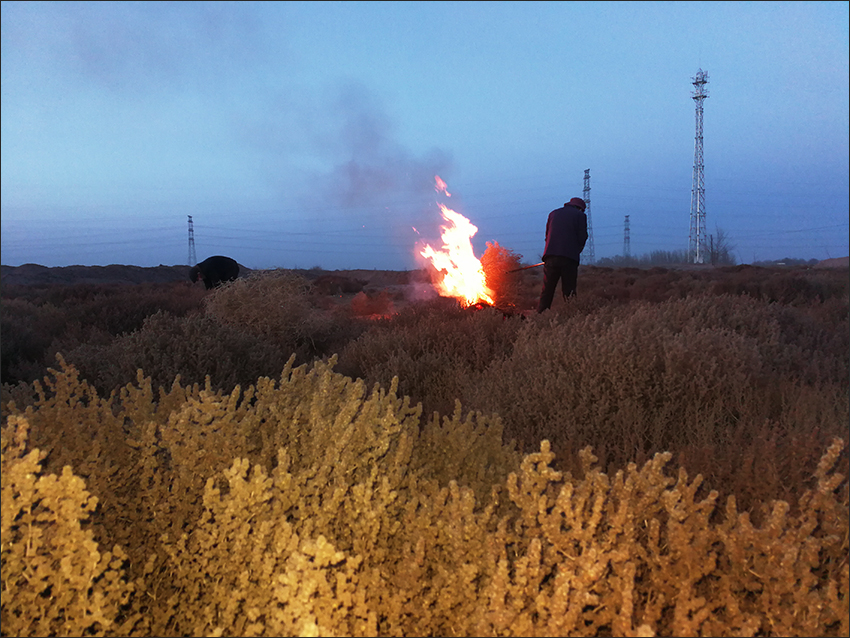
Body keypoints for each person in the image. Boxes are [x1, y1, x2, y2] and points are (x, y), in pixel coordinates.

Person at [537, 197, 589, 313]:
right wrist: (576, 251)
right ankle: (571, 315)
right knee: (569, 290)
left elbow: (547, 235)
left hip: (550, 256)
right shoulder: (580, 216)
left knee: (547, 289)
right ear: (580, 208)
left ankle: (540, 315)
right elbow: (583, 237)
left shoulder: (553, 213)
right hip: (569, 258)